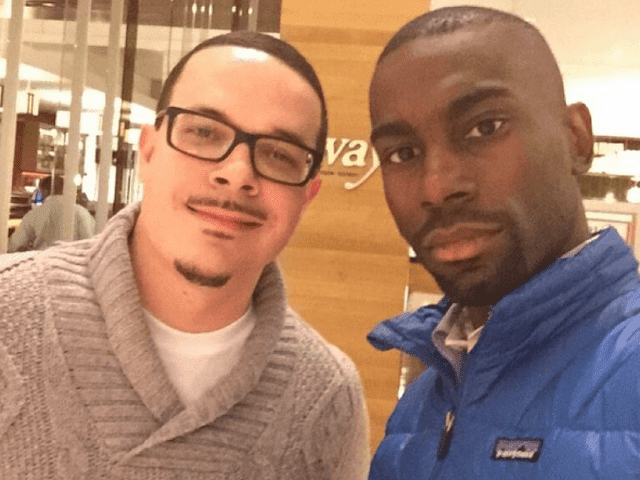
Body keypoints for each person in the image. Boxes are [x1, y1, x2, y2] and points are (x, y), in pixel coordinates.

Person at [0, 32, 369, 479]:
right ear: (149, 151)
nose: (237, 173)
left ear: (306, 197)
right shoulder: (9, 315)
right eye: (204, 132)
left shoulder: (326, 398)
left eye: (279, 154)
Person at [366, 6, 640, 479]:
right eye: (403, 152)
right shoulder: (418, 409)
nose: (437, 187)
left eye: (484, 128)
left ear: (576, 139)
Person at [7, 175, 95, 252]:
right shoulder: (81, 212)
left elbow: (14, 246)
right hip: (74, 263)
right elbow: (91, 244)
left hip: (42, 263)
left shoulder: (34, 214)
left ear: (45, 191)